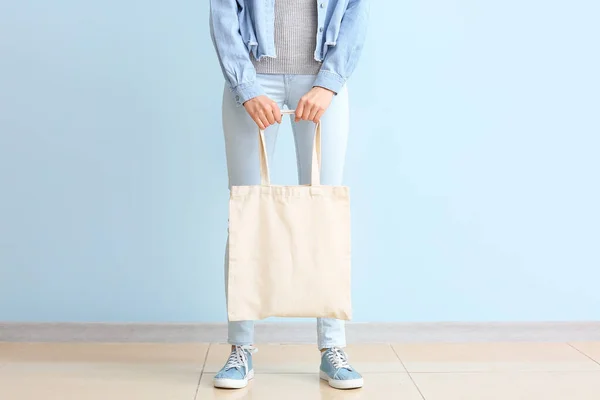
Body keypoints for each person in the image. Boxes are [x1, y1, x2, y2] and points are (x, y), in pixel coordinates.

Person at [209, 0, 369, 390]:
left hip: (321, 80)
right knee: (246, 216)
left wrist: (329, 82)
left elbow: (355, 12)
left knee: (324, 215)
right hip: (253, 77)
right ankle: (240, 349)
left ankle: (333, 348)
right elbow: (223, 14)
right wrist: (244, 86)